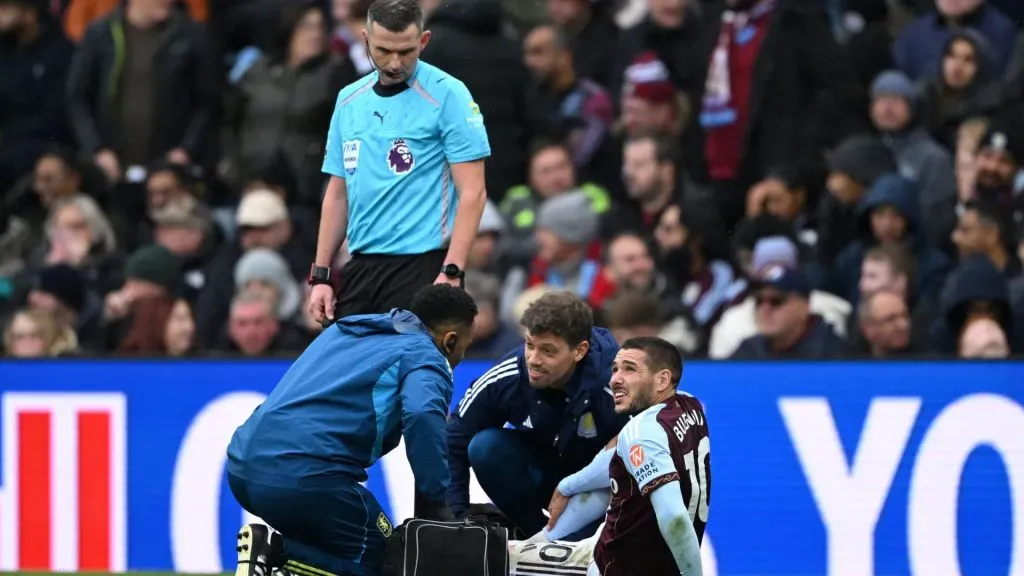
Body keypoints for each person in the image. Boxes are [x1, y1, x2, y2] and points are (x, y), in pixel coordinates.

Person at [227, 284, 478, 576]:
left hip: (242, 464)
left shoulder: (348, 329)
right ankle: (275, 550)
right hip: (304, 477)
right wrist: (436, 502)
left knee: (329, 553)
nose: (461, 357)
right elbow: (422, 414)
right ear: (450, 341)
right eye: (464, 348)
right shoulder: (425, 356)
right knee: (393, 559)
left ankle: (286, 563)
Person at [308, 0, 490, 322]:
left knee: (414, 372)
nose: (394, 63)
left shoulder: (449, 94)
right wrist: (321, 276)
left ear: (424, 41)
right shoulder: (349, 100)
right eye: (383, 50)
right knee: (352, 371)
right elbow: (338, 193)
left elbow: (473, 193)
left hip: (422, 267)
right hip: (361, 268)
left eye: (406, 52)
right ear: (365, 39)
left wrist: (452, 270)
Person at [509, 337, 709, 576]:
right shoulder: (689, 404)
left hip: (618, 567)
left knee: (497, 559)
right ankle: (542, 539)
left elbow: (675, 518)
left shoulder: (641, 433)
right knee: (513, 553)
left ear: (662, 380)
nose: (615, 380)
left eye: (630, 369)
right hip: (640, 554)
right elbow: (615, 464)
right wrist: (567, 486)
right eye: (614, 369)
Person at [446, 291, 626, 536]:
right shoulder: (509, 375)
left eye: (548, 351)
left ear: (580, 351)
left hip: (600, 488)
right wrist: (455, 519)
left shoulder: (617, 382)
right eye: (530, 345)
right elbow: (454, 439)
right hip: (545, 472)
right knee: (485, 447)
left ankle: (576, 540)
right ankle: (536, 538)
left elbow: (647, 450)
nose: (533, 359)